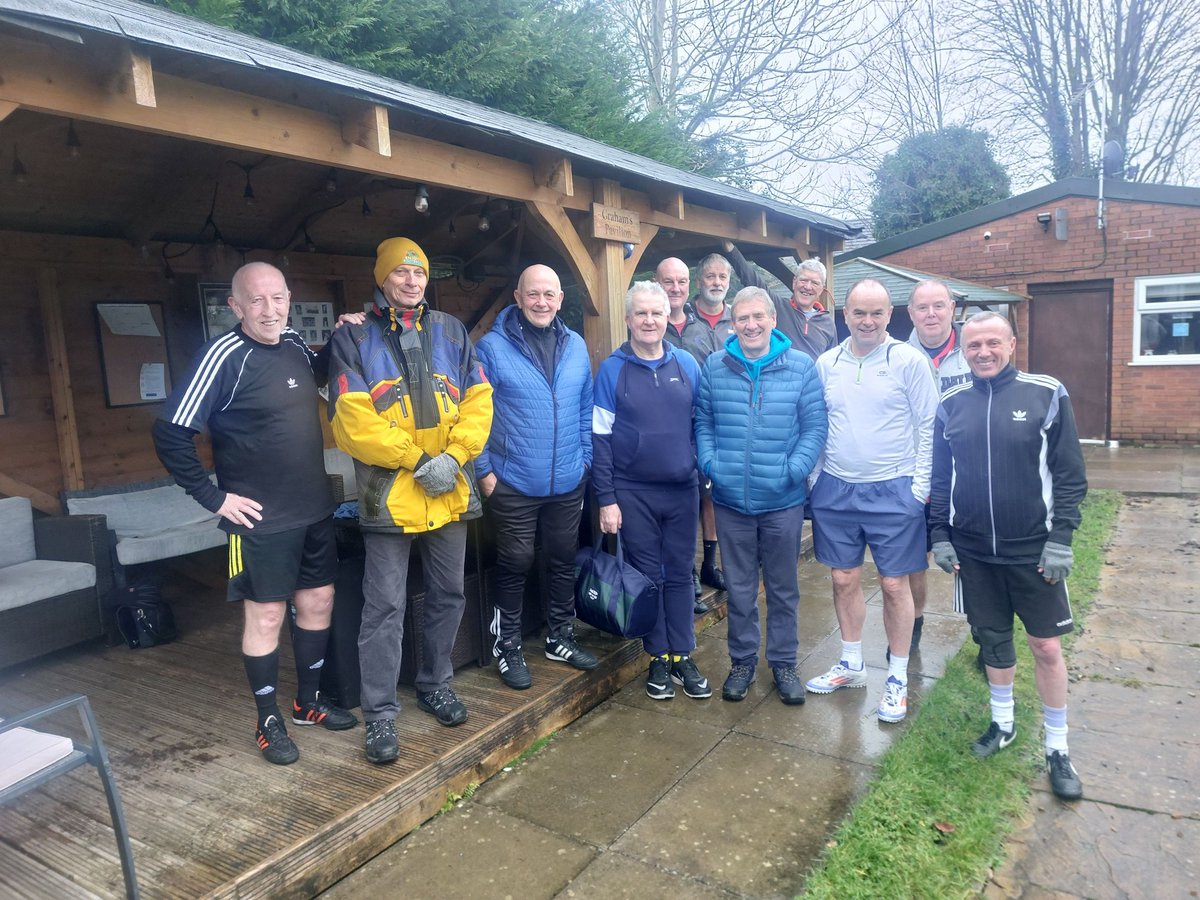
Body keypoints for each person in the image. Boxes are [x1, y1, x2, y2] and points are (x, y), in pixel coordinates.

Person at [153, 262, 359, 766]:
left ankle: (307, 703)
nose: (270, 310)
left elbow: (314, 375)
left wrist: (339, 338)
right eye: (257, 300)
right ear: (236, 306)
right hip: (258, 520)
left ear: (289, 300)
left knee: (319, 601)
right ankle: (268, 720)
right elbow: (171, 432)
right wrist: (213, 498)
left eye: (278, 298)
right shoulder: (222, 355)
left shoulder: (293, 342)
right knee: (266, 614)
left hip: (313, 508)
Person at [327, 237, 493, 765]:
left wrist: (456, 455)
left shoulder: (452, 330)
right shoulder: (354, 336)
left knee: (449, 593)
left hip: (449, 491)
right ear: (382, 278)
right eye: (400, 272)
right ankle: (379, 714)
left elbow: (480, 402)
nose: (411, 281)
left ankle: (435, 683)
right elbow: (351, 421)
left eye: (419, 273)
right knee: (384, 607)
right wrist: (418, 460)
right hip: (390, 497)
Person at [930, 312, 1087, 800]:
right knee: (994, 643)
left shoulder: (1046, 393)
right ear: (963, 350)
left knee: (1046, 648)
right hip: (974, 553)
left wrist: (1062, 538)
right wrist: (939, 534)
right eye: (973, 345)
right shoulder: (951, 403)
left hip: (1033, 551)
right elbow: (941, 478)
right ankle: (1003, 724)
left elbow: (1070, 474)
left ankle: (1057, 748)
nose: (983, 352)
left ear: (1012, 344)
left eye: (992, 343)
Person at [804, 279, 939, 724]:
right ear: (845, 315)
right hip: (837, 489)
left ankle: (897, 676)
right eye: (859, 313)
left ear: (889, 315)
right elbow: (817, 423)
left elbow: (928, 426)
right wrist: (816, 478)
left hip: (894, 489)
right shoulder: (826, 363)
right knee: (843, 578)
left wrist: (918, 489)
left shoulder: (909, 361)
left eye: (876, 313)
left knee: (895, 585)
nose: (867, 321)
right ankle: (851, 663)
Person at [695, 287, 827, 704]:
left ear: (773, 319)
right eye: (742, 318)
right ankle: (743, 662)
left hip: (782, 502)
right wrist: (711, 464)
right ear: (732, 323)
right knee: (739, 588)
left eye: (758, 317)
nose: (750, 325)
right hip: (731, 501)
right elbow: (703, 421)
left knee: (784, 589)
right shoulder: (715, 366)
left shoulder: (800, 367)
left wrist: (793, 471)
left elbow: (815, 427)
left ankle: (784, 663)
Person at [475, 264, 595, 690]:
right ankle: (507, 645)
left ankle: (559, 636)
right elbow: (475, 413)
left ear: (560, 299)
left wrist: (584, 459)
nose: (541, 302)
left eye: (549, 294)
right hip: (513, 480)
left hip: (567, 479)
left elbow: (585, 407)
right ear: (518, 297)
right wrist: (484, 472)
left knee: (563, 558)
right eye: (533, 294)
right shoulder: (491, 348)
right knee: (515, 561)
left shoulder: (576, 345)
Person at [593, 281, 709, 701]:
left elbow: (702, 423)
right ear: (628, 319)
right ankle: (657, 656)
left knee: (680, 573)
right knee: (648, 577)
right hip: (633, 491)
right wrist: (606, 498)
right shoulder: (612, 370)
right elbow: (600, 438)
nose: (649, 320)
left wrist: (702, 468)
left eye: (656, 313)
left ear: (667, 318)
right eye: (641, 313)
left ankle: (683, 655)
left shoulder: (687, 365)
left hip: (681, 489)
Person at [902, 280, 974, 658]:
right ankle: (913, 625)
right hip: (917, 475)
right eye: (922, 307)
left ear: (952, 309)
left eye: (938, 306)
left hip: (968, 474)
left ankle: (984, 629)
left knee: (973, 555)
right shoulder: (897, 355)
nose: (931, 314)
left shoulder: (974, 350)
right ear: (911, 313)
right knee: (915, 559)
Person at [655, 257, 728, 609]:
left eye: (681, 282)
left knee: (708, 496)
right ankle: (687, 573)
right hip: (665, 431)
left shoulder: (701, 327)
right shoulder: (651, 324)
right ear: (657, 284)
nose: (675, 288)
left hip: (701, 427)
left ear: (689, 285)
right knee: (679, 502)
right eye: (668, 282)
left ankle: (709, 565)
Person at [722, 240, 836, 361]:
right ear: (794, 282)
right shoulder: (779, 306)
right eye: (803, 280)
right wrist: (731, 250)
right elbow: (751, 278)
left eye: (814, 283)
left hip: (811, 374)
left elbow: (832, 363)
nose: (808, 287)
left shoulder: (828, 323)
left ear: (821, 289)